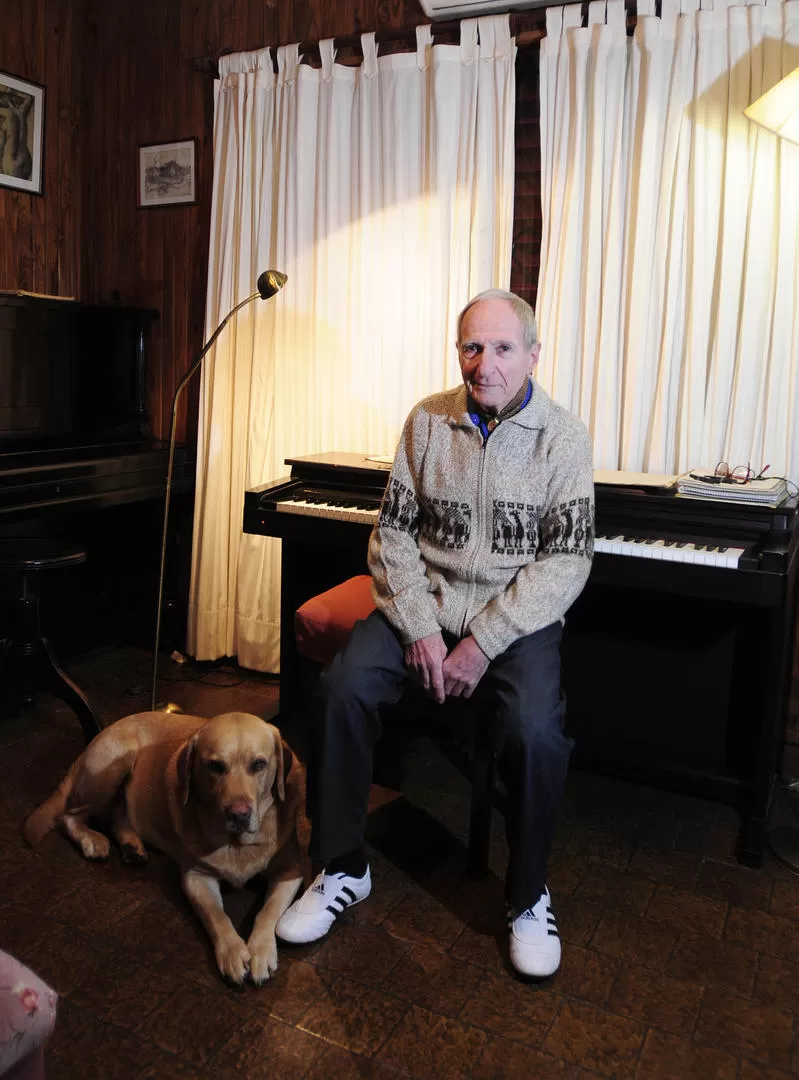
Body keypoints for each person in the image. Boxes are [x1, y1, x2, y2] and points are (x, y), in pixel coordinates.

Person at [276, 289, 594, 978]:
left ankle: (527, 892)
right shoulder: (426, 421)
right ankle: (341, 866)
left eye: (503, 348)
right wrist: (419, 628)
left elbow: (565, 560)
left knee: (537, 730)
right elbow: (391, 532)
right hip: (423, 606)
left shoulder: (563, 437)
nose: (485, 364)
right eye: (471, 347)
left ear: (532, 355)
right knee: (342, 690)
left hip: (513, 623)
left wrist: (482, 641)